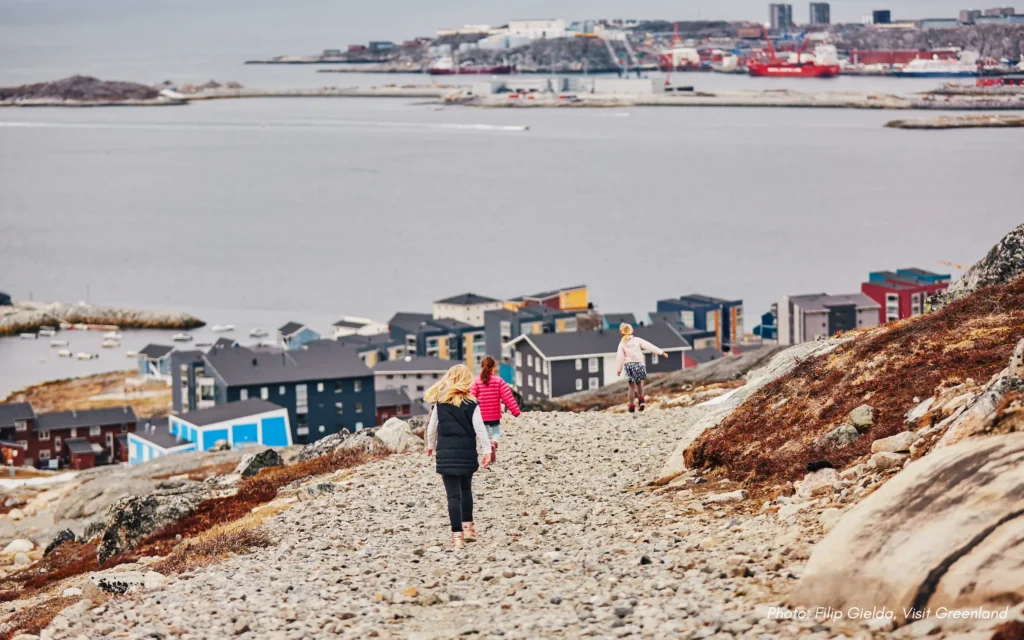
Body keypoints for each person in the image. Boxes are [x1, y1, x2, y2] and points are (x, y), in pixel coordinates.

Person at [425, 364, 493, 549]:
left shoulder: (440, 403)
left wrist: (430, 446)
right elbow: (480, 429)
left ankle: (457, 538)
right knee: (466, 490)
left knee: (453, 496)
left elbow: (431, 428)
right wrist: (487, 450)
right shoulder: (472, 404)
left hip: (446, 455)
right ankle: (469, 528)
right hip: (467, 454)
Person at [470, 356, 521, 463]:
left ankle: (487, 450)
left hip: (482, 415)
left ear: (481, 367)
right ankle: (494, 443)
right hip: (495, 414)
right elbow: (508, 397)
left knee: (485, 434)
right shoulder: (499, 381)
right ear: (493, 368)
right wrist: (515, 411)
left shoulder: (477, 381)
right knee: (496, 433)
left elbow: (470, 398)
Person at [615, 323, 669, 414]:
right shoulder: (637, 340)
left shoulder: (622, 344)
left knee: (631, 387)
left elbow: (619, 357)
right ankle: (641, 401)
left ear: (621, 333)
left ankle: (631, 406)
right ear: (631, 331)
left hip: (629, 366)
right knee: (639, 384)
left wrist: (618, 370)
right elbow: (649, 346)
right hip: (639, 364)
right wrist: (661, 352)